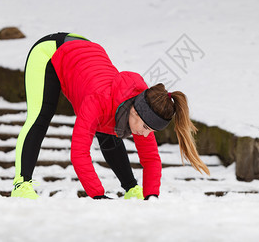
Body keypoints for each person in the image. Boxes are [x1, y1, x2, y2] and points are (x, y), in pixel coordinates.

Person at [11, 32, 210, 200]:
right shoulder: (97, 100)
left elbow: (151, 159)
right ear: (135, 111)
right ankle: (21, 183)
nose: (146, 134)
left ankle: (131, 188)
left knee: (108, 127)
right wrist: (97, 195)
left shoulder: (143, 107)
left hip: (86, 52)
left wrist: (151, 196)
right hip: (52, 51)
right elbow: (79, 153)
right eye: (146, 128)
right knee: (41, 116)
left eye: (151, 130)